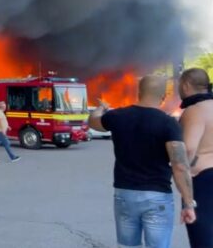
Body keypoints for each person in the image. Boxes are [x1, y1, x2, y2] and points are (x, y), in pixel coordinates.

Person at [89, 75, 196, 248]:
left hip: (124, 195)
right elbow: (180, 165)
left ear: (139, 92)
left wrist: (101, 108)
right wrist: (189, 203)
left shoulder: (118, 116)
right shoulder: (168, 123)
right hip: (157, 197)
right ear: (164, 96)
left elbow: (93, 122)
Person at [178, 67, 213, 247]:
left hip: (204, 180)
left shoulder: (195, 111)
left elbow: (189, 148)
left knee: (203, 237)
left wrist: (185, 171)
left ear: (185, 86)